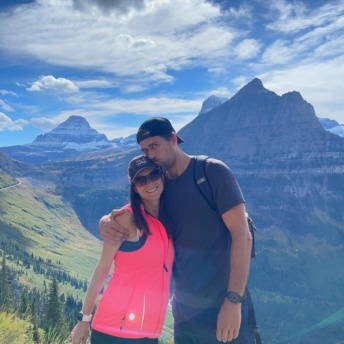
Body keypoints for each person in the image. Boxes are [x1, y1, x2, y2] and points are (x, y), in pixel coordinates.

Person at [100, 117, 254, 344]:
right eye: (144, 149)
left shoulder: (211, 173)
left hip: (222, 304)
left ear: (173, 139)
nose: (150, 155)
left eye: (154, 145)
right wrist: (105, 222)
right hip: (185, 312)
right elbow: (133, 214)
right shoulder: (159, 186)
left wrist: (233, 301)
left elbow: (242, 235)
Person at [71, 155, 174, 344]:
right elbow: (102, 268)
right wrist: (84, 320)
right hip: (113, 331)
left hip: (149, 333)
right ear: (134, 187)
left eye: (153, 175)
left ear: (162, 176)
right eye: (141, 180)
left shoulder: (170, 219)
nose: (149, 182)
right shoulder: (127, 219)